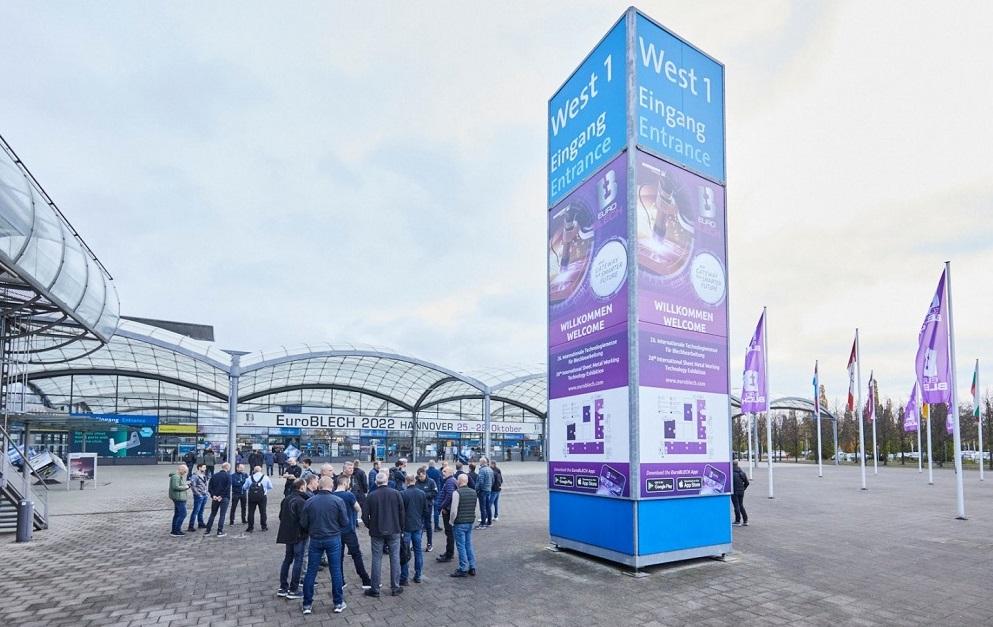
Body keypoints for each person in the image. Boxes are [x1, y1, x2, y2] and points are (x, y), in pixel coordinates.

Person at [300, 476, 350, 615]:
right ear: (332, 485)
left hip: (315, 539)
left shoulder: (310, 501)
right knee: (335, 571)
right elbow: (344, 522)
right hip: (333, 538)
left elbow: (303, 523)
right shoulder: (338, 501)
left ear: (319, 486)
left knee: (311, 571)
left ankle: (307, 604)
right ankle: (338, 602)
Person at [363, 472, 405, 597]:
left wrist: (371, 526)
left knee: (376, 558)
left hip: (377, 531)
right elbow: (402, 513)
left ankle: (375, 589)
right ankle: (395, 587)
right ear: (387, 481)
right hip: (394, 530)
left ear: (376, 482)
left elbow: (365, 516)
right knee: (395, 557)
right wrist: (401, 528)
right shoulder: (396, 493)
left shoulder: (371, 496)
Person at [331, 475, 372, 589]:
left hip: (336, 531)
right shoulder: (349, 495)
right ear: (344, 483)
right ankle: (365, 579)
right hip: (348, 530)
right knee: (356, 554)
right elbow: (358, 508)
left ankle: (341, 581)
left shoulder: (332, 495)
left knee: (338, 557)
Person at [277, 478, 310, 600]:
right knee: (298, 560)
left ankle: (283, 587)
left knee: (287, 559)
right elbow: (304, 520)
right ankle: (294, 588)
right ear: (301, 487)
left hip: (287, 533)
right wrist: (307, 530)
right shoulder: (301, 501)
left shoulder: (286, 499)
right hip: (298, 534)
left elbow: (281, 516)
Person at [400, 475, 428, 584]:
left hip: (406, 527)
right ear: (415, 481)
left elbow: (400, 511)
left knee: (404, 552)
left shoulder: (403, 494)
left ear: (406, 482)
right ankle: (418, 575)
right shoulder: (422, 493)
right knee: (418, 551)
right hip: (417, 526)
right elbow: (426, 511)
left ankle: (404, 577)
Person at [449, 474, 478, 577]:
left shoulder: (457, 493)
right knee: (468, 545)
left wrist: (451, 521)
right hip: (470, 521)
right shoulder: (474, 492)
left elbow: (453, 511)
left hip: (459, 523)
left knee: (461, 546)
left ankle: (463, 568)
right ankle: (472, 566)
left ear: (459, 481)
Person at [434, 465, 457, 563]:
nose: (442, 473)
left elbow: (449, 495)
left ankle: (449, 554)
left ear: (450, 473)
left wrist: (442, 506)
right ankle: (448, 552)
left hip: (447, 511)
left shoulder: (450, 482)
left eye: (444, 471)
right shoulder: (450, 481)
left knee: (449, 533)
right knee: (449, 533)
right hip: (448, 509)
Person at [204, 462, 231, 537]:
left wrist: (213, 496)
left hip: (215, 498)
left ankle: (207, 531)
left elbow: (210, 487)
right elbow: (227, 488)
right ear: (227, 468)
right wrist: (221, 496)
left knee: (213, 514)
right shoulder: (228, 476)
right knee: (222, 515)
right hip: (224, 497)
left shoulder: (214, 476)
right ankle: (219, 531)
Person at [244, 464, 274, 532]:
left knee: (251, 512)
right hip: (262, 497)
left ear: (253, 471)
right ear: (261, 470)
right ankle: (264, 526)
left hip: (252, 497)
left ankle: (250, 527)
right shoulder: (265, 477)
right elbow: (270, 487)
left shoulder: (249, 478)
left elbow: (245, 487)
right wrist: (265, 490)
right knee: (263, 512)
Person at [414, 466, 437, 551]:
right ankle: (417, 543)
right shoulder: (417, 482)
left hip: (428, 507)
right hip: (418, 507)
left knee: (428, 525)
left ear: (425, 474)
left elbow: (434, 493)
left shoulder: (431, 482)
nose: (420, 478)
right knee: (418, 525)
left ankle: (429, 544)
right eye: (419, 476)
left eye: (421, 476)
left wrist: (423, 495)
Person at [169, 464, 191, 536]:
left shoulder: (178, 476)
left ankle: (174, 530)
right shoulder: (176, 477)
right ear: (181, 470)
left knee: (177, 514)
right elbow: (175, 487)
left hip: (178, 497)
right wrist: (186, 487)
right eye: (184, 472)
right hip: (179, 498)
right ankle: (177, 530)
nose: (185, 473)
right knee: (183, 514)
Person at [187, 464, 208, 531]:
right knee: (196, 510)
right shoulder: (195, 476)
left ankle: (200, 523)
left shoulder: (204, 475)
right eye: (204, 467)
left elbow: (205, 484)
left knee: (201, 510)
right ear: (199, 468)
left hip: (204, 494)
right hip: (199, 495)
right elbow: (193, 486)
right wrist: (198, 494)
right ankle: (191, 526)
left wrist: (206, 493)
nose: (205, 468)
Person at [475, 457, 493, 528]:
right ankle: (489, 522)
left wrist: (478, 489)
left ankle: (483, 523)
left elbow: (481, 481)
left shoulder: (482, 470)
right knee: (488, 506)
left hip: (482, 491)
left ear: (482, 462)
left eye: (480, 462)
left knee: (482, 508)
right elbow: (493, 480)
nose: (479, 463)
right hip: (488, 490)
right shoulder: (490, 469)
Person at [426, 460, 443, 531]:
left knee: (427, 509)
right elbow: (442, 480)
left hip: (428, 492)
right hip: (436, 492)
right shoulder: (438, 472)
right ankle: (436, 526)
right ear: (434, 465)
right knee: (436, 510)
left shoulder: (426, 472)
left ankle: (426, 526)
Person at [731, 460, 749, 526]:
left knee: (736, 506)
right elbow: (747, 483)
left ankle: (737, 521)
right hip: (741, 492)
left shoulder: (731, 473)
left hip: (734, 492)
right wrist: (743, 489)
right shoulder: (742, 472)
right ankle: (745, 520)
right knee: (741, 505)